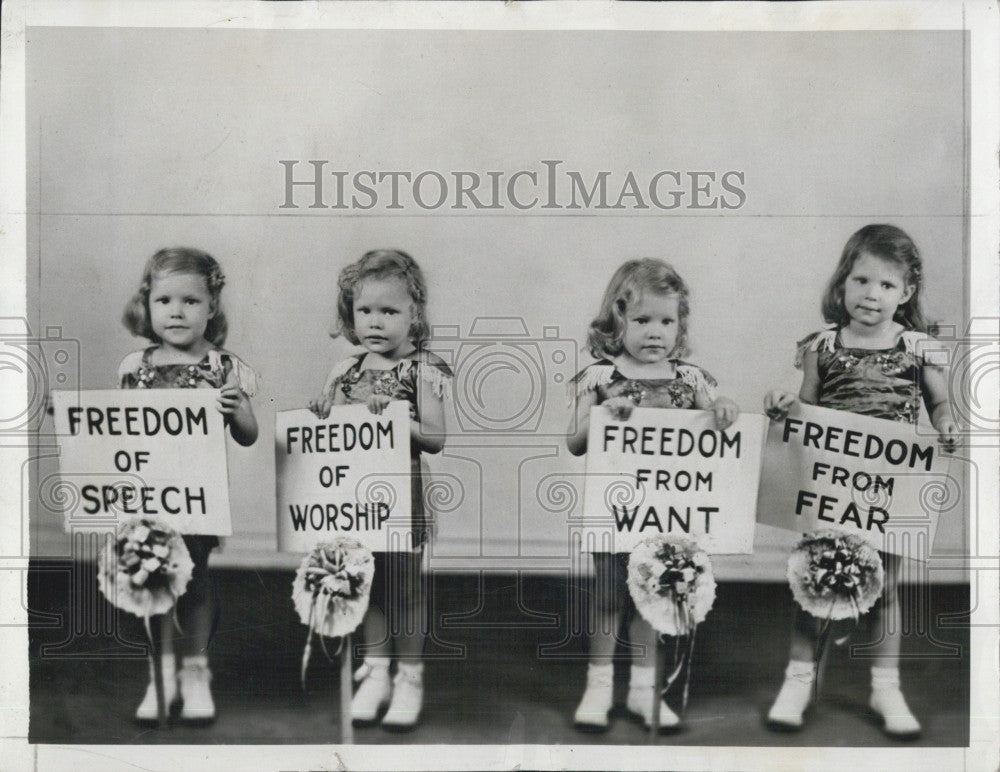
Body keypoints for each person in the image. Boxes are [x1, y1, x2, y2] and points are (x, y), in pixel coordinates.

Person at [764, 224, 958, 738]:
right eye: (862, 280)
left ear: (906, 294)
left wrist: (946, 425)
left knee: (886, 589)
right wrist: (787, 403)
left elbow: (939, 403)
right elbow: (806, 402)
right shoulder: (822, 345)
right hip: (830, 487)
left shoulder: (917, 348)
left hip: (888, 490)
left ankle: (885, 684)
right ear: (843, 283)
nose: (872, 294)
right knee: (813, 584)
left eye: (887, 285)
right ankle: (799, 679)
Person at [567, 258, 738, 731]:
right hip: (615, 510)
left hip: (666, 514)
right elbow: (575, 441)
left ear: (680, 326)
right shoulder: (599, 379)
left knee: (652, 597)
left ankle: (644, 689)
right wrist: (605, 417)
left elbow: (714, 424)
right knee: (607, 598)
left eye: (667, 320)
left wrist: (723, 408)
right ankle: (598, 686)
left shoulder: (690, 380)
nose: (654, 331)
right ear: (617, 321)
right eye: (641, 320)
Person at [309, 249, 450, 731]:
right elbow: (328, 434)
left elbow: (436, 436)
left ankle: (409, 676)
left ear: (414, 315)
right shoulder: (343, 370)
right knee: (364, 584)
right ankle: (377, 672)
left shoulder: (421, 370)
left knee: (405, 589)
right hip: (353, 496)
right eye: (365, 310)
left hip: (402, 491)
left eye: (390, 311)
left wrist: (397, 418)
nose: (376, 321)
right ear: (350, 313)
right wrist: (320, 416)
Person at [120, 246, 259, 724]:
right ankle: (160, 671)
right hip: (148, 495)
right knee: (153, 582)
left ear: (212, 307)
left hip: (197, 498)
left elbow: (248, 435)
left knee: (196, 582)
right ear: (148, 304)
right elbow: (114, 431)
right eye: (165, 301)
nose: (176, 311)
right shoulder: (134, 367)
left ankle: (196, 669)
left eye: (190, 301)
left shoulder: (225, 367)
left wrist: (237, 408)